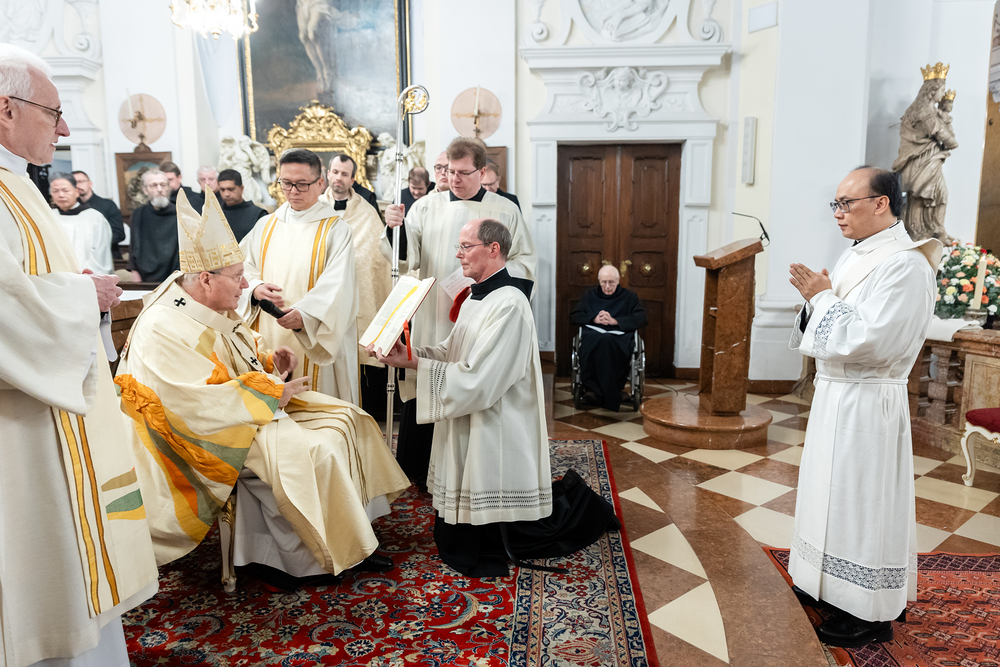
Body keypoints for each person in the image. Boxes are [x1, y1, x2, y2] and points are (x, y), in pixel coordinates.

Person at [115, 188, 408, 582]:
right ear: (206, 278)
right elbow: (190, 399)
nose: (245, 287)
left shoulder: (202, 301)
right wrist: (270, 393)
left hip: (243, 409)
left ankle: (356, 535)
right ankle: (292, 561)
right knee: (317, 452)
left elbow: (232, 347)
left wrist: (267, 360)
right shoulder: (163, 325)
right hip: (203, 431)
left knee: (349, 419)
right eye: (238, 278)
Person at [0, 43, 159, 667]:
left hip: (52, 409)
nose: (64, 129)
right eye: (54, 112)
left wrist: (73, 290)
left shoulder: (17, 183)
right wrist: (80, 296)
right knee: (44, 574)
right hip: (23, 429)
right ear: (6, 110)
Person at [372, 219, 617, 577]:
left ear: (493, 249)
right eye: (458, 247)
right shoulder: (477, 295)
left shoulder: (510, 304)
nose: (458, 255)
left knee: (514, 528)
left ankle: (586, 511)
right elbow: (453, 352)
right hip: (474, 413)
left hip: (497, 419)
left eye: (465, 246)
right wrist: (410, 358)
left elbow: (479, 379)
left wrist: (421, 366)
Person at [787, 166, 941, 648]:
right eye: (834, 204)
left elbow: (871, 341)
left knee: (862, 504)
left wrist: (821, 298)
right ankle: (825, 584)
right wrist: (816, 301)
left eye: (845, 203)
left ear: (881, 203)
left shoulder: (905, 265)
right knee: (828, 494)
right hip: (837, 395)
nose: (837, 213)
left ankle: (868, 611)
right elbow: (836, 316)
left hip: (869, 400)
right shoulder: (859, 253)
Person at [381, 137, 537, 489]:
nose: (454, 178)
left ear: (482, 171)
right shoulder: (425, 206)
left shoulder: (505, 209)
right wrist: (395, 228)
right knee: (426, 378)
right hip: (433, 311)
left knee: (471, 380)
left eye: (463, 172)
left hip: (481, 313)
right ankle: (418, 469)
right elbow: (406, 258)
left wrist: (485, 285)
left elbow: (525, 262)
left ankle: (467, 473)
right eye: (449, 171)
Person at [240, 148, 360, 403]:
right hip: (267, 331)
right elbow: (240, 267)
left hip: (314, 334)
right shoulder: (265, 225)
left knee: (315, 409)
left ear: (320, 183)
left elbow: (338, 285)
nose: (293, 191)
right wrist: (255, 288)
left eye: (302, 184)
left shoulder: (336, 230)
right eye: (286, 183)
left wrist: (305, 316)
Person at [321, 153, 393, 419]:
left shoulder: (366, 212)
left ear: (353, 179)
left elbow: (377, 259)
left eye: (344, 174)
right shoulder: (315, 208)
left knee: (360, 369)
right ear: (328, 174)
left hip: (359, 302)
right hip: (325, 303)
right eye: (335, 172)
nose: (338, 178)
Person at [891, 66, 956, 243]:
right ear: (932, 91)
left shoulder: (928, 111)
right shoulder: (925, 112)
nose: (943, 94)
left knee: (937, 195)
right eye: (942, 89)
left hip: (929, 160)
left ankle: (936, 229)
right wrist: (951, 137)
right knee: (922, 196)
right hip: (921, 161)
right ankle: (918, 231)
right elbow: (946, 138)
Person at [569, 264, 647, 411]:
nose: (607, 286)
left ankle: (599, 393)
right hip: (593, 335)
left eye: (611, 282)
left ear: (618, 280)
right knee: (599, 341)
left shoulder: (629, 297)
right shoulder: (589, 295)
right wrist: (594, 319)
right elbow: (574, 316)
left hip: (619, 337)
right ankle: (607, 393)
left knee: (607, 341)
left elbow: (642, 318)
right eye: (603, 282)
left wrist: (615, 321)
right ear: (599, 281)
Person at [49, 171, 114, 274]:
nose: (60, 195)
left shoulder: (94, 218)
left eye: (65, 190)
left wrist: (85, 276)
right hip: (57, 276)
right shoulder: (49, 217)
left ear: (76, 192)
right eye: (55, 191)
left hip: (88, 276)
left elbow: (101, 254)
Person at [128, 168, 180, 283]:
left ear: (168, 188)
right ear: (145, 190)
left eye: (163, 185)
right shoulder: (138, 214)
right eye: (154, 185)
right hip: (146, 278)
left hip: (176, 276)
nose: (160, 189)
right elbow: (134, 247)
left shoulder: (181, 213)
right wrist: (135, 275)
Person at [73, 169, 125, 258]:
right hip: (79, 257)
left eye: (80, 181)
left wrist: (92, 243)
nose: (77, 185)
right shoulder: (71, 208)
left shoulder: (108, 205)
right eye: (74, 183)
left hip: (107, 257)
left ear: (90, 184)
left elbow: (118, 234)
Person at [218, 168, 267, 242]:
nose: (226, 194)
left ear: (241, 188)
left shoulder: (258, 214)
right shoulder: (216, 214)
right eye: (222, 190)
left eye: (231, 189)